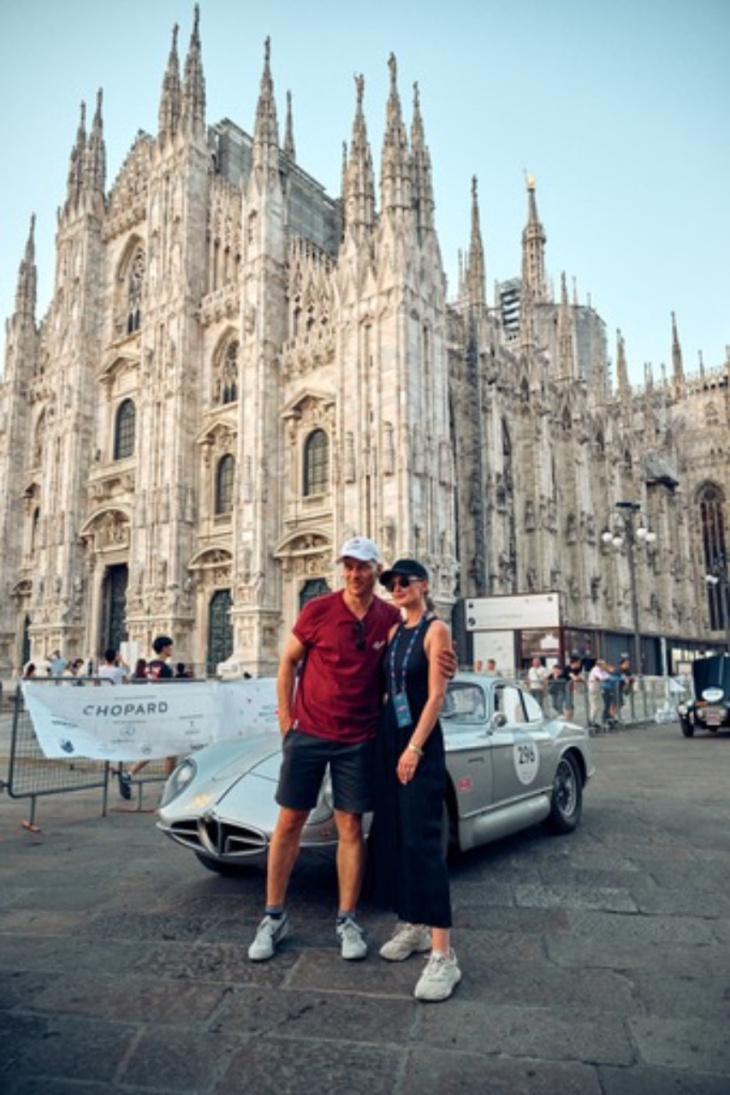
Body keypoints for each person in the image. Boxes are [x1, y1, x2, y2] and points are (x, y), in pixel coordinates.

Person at [247, 536, 456, 963]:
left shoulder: (387, 619)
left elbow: (423, 660)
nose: (354, 573)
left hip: (361, 738)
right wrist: (286, 720)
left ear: (374, 571)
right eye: (347, 565)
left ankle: (348, 919)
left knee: (351, 827)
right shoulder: (319, 609)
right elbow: (287, 661)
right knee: (289, 822)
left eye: (363, 566)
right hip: (310, 733)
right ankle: (273, 916)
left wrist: (449, 661)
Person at [374, 558, 460, 1002]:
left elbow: (437, 695)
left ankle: (444, 955)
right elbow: (389, 689)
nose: (395, 587)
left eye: (403, 581)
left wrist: (414, 748)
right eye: (390, 582)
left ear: (424, 585)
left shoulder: (436, 629)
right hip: (391, 735)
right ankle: (413, 924)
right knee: (399, 837)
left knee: (425, 841)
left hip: (419, 743)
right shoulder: (393, 631)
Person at [118, 635, 176, 799]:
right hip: (163, 711)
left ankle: (129, 774)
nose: (171, 650)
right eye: (170, 647)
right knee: (170, 750)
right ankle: (169, 788)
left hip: (151, 710)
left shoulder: (148, 666)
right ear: (164, 648)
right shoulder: (165, 668)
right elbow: (169, 690)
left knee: (157, 748)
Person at [561, 653, 584, 721]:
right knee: (566, 703)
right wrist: (579, 679)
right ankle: (566, 717)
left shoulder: (579, 668)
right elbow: (574, 678)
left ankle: (570, 718)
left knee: (570, 703)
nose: (580, 664)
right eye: (579, 662)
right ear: (575, 662)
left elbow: (580, 676)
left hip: (569, 688)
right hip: (562, 688)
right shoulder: (567, 669)